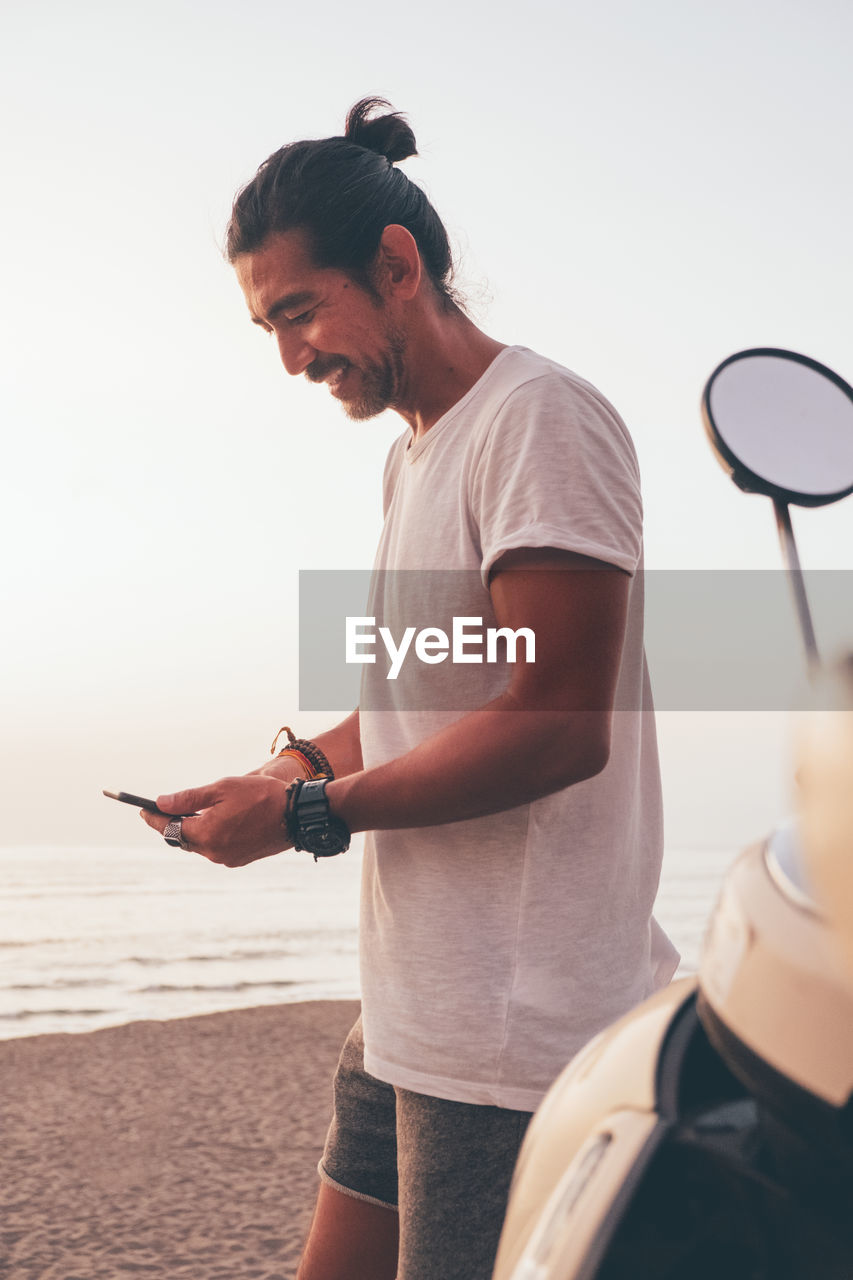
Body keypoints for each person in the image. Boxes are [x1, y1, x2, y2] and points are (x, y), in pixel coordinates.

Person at [142, 97, 679, 1280]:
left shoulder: (541, 418)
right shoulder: (413, 453)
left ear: (396, 266)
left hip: (513, 1041)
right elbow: (407, 704)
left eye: (298, 311)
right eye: (265, 327)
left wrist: (303, 820)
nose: (288, 357)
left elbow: (556, 723)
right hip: (409, 1014)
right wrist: (284, 771)